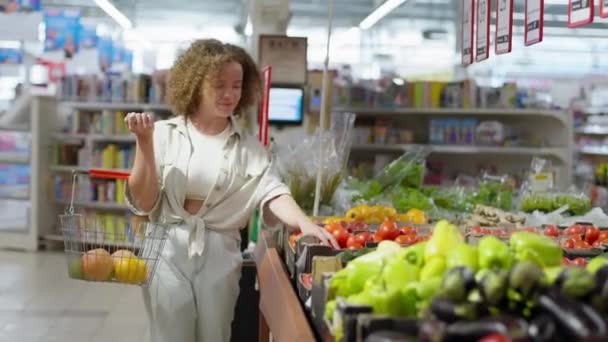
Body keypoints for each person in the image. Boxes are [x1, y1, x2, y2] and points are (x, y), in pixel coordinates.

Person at [124, 39, 339, 342]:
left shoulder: (250, 148)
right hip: (166, 247)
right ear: (195, 83)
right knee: (168, 334)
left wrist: (303, 221)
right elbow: (144, 202)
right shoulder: (161, 134)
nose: (229, 94)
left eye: (236, 85)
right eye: (219, 84)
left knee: (216, 335)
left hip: (219, 252)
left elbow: (273, 191)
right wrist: (144, 144)